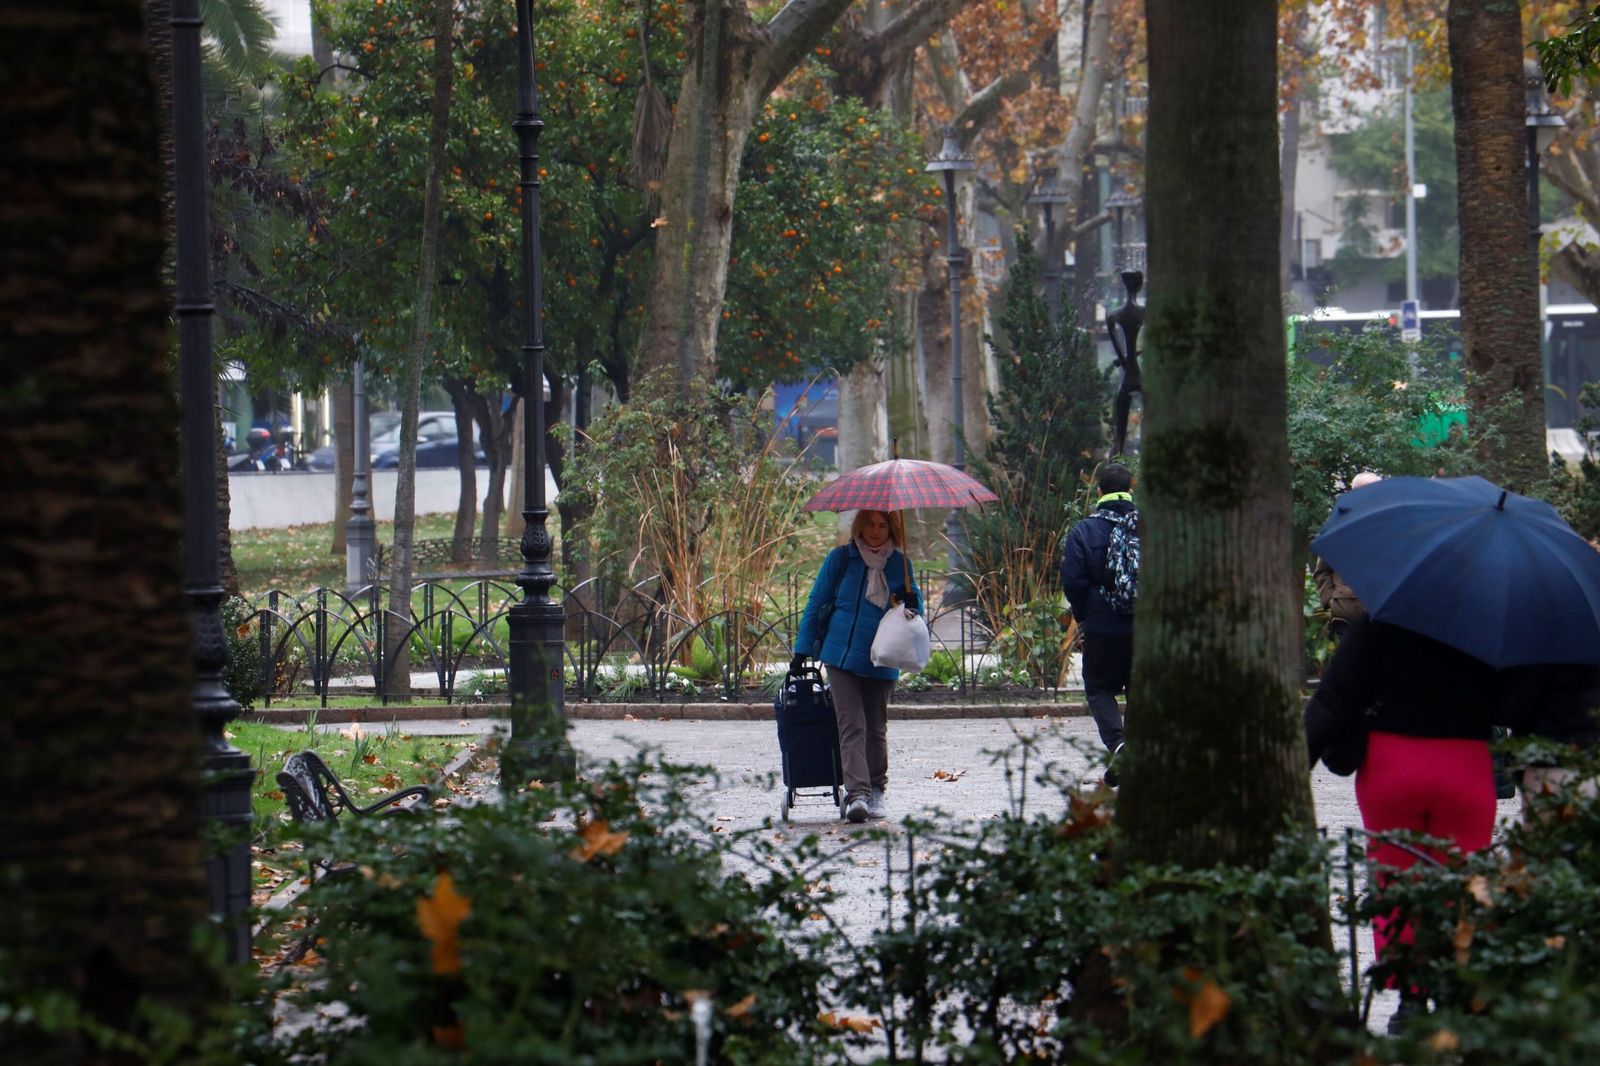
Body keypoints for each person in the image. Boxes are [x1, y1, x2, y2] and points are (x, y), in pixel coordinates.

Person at [1303, 617, 1500, 1028]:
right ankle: (1452, 992)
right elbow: (1517, 699)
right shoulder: (1486, 627)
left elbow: (1332, 702)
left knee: (1394, 876)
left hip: (1392, 765)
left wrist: (1293, 763)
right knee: (1461, 880)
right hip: (1465, 766)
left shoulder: (1379, 626)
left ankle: (1410, 1000)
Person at [793, 509, 922, 823]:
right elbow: (816, 602)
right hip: (841, 656)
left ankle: (877, 789)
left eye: (882, 525)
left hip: (882, 657)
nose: (876, 531)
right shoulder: (841, 559)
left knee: (875, 728)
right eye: (870, 524)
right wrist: (802, 650)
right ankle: (858, 796)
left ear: (891, 528)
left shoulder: (900, 565)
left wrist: (910, 600)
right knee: (852, 725)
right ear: (860, 526)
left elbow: (915, 609)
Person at [1060, 462, 1137, 785]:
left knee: (1099, 687)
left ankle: (1119, 745)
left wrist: (1085, 615)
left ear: (1100, 492)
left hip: (1102, 627)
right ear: (1131, 490)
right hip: (1142, 625)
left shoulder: (1083, 531)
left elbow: (1073, 580)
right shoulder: (1146, 527)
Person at [1311, 471, 1382, 641]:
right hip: (1347, 618)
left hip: (1382, 617)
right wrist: (1331, 601)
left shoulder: (1388, 522)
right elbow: (1322, 570)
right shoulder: (1339, 524)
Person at [1106, 271, 1145, 457]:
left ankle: (1117, 457)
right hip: (1141, 376)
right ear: (1140, 286)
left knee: (1119, 428)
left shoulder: (1114, 315)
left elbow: (1119, 349)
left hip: (1128, 375)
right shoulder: (1145, 313)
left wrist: (1125, 361)